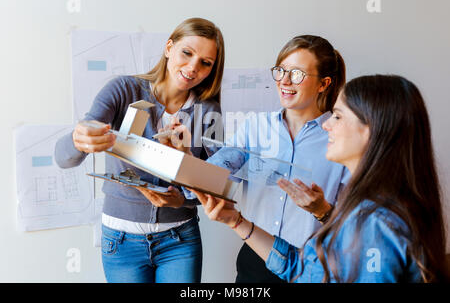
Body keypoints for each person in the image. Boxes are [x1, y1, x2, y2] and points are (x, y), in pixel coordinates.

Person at [193, 74, 450, 282]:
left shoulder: (376, 223)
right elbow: (303, 271)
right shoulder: (365, 210)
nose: (326, 125)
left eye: (338, 116)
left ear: (371, 130)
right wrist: (235, 220)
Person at [164, 35, 350, 282]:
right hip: (254, 259)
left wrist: (321, 209)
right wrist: (183, 156)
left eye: (296, 74)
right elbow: (213, 178)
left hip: (312, 268)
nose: (284, 81)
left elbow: (355, 223)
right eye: (280, 70)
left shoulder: (343, 137)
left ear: (323, 84)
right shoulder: (255, 127)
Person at [54, 17, 225, 283]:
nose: (192, 68)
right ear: (169, 48)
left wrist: (183, 200)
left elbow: (216, 184)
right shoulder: (124, 90)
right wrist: (78, 140)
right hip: (121, 241)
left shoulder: (208, 111)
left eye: (205, 63)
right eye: (187, 53)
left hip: (179, 239)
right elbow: (63, 158)